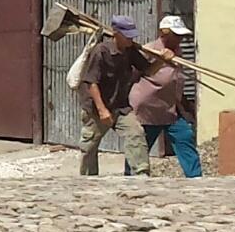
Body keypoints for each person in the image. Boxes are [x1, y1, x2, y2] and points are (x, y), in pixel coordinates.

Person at [77, 14, 151, 177]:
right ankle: (88, 180)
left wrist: (164, 59)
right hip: (96, 108)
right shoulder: (101, 51)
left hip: (120, 107)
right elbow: (91, 82)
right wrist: (102, 110)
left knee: (135, 133)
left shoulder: (130, 51)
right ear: (116, 33)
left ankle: (142, 174)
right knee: (89, 146)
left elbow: (148, 70)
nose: (131, 39)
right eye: (127, 36)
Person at [130, 12, 203, 177]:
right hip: (148, 109)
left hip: (170, 109)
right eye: (177, 35)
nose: (180, 39)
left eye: (181, 36)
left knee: (185, 137)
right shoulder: (149, 50)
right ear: (165, 33)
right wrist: (161, 60)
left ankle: (195, 178)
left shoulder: (178, 52)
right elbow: (138, 74)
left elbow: (176, 81)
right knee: (139, 147)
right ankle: (131, 178)